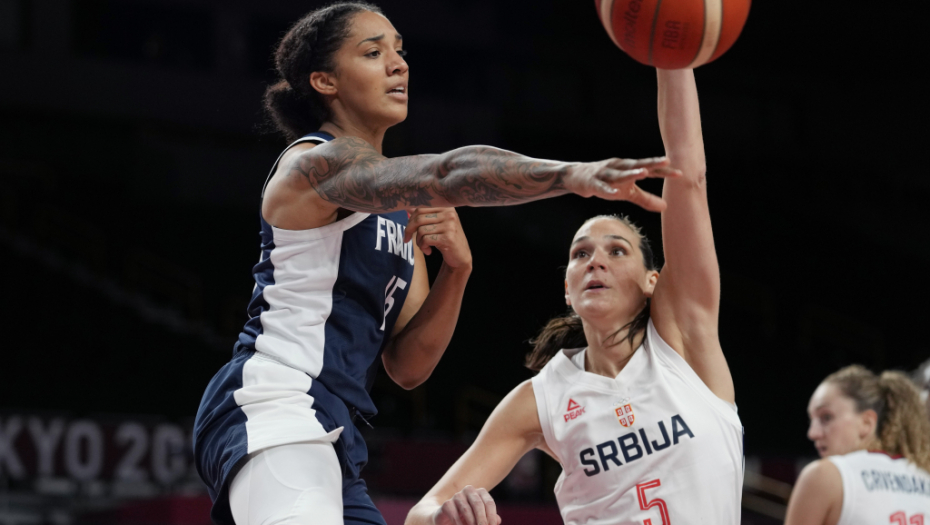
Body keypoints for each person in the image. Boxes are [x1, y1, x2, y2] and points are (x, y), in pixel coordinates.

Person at [191, 3, 677, 525]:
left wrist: (457, 269)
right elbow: (447, 173)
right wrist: (569, 175)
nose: (398, 64)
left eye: (399, 51)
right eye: (373, 52)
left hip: (334, 431)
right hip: (275, 401)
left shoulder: (400, 209)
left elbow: (408, 367)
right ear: (324, 81)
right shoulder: (312, 164)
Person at [405, 68, 743, 525]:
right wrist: (444, 517)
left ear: (652, 281)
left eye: (617, 251)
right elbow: (421, 512)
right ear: (568, 288)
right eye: (580, 253)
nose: (595, 261)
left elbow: (688, 175)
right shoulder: (544, 398)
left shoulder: (686, 345)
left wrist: (673, 61)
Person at [784, 365, 930, 525]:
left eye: (826, 417)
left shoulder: (824, 476)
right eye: (811, 420)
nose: (813, 433)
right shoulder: (924, 476)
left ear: (866, 423)